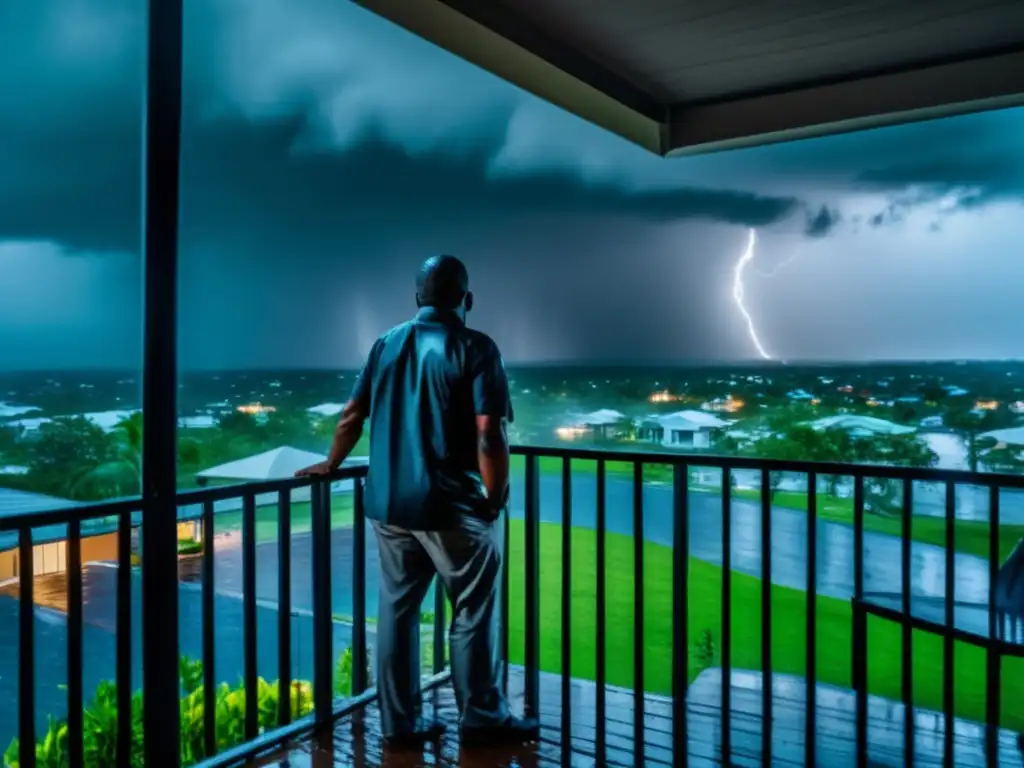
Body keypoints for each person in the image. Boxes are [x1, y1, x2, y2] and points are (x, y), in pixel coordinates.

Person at [296, 255, 539, 748]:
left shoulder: (385, 343)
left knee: (397, 614)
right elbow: (489, 434)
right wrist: (495, 496)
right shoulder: (477, 347)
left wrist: (332, 463)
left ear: (416, 299)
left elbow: (350, 416)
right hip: (450, 507)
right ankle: (483, 717)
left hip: (388, 506)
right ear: (467, 299)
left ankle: (398, 727)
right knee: (471, 610)